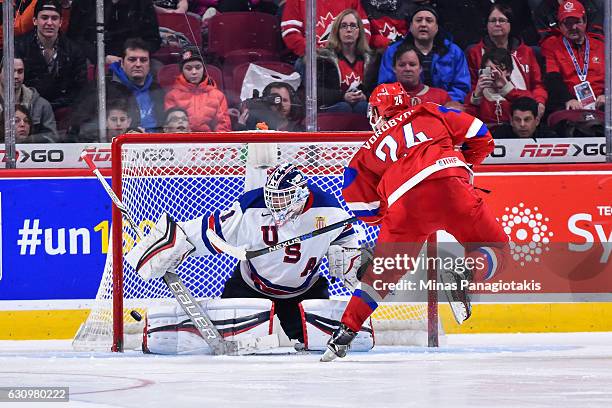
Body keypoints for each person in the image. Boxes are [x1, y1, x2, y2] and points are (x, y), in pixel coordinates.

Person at [320, 83, 509, 362]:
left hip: (404, 208)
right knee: (498, 250)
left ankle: (345, 331)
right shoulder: (430, 112)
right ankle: (465, 273)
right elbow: (482, 134)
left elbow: (362, 206)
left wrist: (386, 213)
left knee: (381, 275)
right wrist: (460, 165)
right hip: (452, 186)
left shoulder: (363, 154)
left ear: (375, 112)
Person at [125, 163, 364, 345]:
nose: (275, 205)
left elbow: (347, 253)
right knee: (226, 345)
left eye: (282, 199)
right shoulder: (251, 206)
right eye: (272, 197)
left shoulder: (331, 212)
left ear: (301, 195)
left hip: (304, 292)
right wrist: (174, 241)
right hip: (250, 288)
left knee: (320, 348)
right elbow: (211, 232)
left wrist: (357, 267)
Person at [69, 38, 166, 141]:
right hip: (115, 148)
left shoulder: (157, 91)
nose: (138, 64)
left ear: (149, 64)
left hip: (156, 148)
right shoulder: (102, 89)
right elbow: (81, 127)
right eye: (132, 59)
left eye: (143, 60)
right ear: (122, 63)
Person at [466, 3, 547, 118]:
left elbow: (537, 85)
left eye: (502, 20)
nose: (497, 24)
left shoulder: (527, 52)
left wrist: (540, 101)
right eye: (493, 20)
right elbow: (471, 86)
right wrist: (476, 95)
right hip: (486, 113)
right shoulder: (474, 52)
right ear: (487, 25)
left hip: (522, 114)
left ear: (510, 24)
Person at [377, 5, 470, 104]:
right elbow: (386, 86)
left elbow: (461, 87)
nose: (423, 24)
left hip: (444, 107)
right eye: (418, 20)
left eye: (429, 21)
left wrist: (444, 103)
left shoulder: (454, 52)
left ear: (437, 27)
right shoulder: (393, 51)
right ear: (411, 27)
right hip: (405, 107)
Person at [14, 0, 87, 110]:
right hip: (27, 110)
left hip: (64, 111)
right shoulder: (19, 47)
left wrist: (51, 107)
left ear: (61, 22)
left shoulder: (75, 51)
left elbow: (79, 90)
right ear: (34, 20)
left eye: (54, 18)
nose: (49, 23)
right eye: (44, 17)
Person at [541, 1, 605, 112]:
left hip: (602, 104)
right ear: (560, 26)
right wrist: (568, 99)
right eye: (567, 23)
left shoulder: (601, 46)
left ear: (585, 22)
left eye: (577, 22)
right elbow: (552, 78)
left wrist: (607, 95)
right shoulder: (551, 46)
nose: (573, 27)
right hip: (569, 105)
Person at [317, 8, 377, 114]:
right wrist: (342, 96)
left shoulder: (371, 60)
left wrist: (365, 96)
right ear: (337, 31)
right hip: (333, 109)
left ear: (359, 31)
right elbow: (316, 92)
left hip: (361, 109)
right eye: (344, 26)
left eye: (353, 25)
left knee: (364, 107)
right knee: (343, 108)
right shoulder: (324, 59)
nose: (348, 30)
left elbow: (377, 90)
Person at [67, 0, 161, 64]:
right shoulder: (84, 3)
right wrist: (101, 57)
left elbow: (153, 39)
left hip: (134, 58)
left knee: (157, 69)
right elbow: (74, 37)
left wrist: (133, 55)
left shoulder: (142, 3)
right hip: (93, 59)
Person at [164, 47, 231, 132]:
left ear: (204, 69)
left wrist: (211, 144)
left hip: (209, 143)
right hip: (182, 142)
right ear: (182, 71)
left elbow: (223, 126)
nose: (194, 72)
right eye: (188, 68)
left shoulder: (218, 96)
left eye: (198, 67)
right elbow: (171, 127)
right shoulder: (172, 96)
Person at [465, 48, 534, 126]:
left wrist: (506, 90)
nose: (494, 73)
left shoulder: (520, 94)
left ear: (509, 72)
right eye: (490, 69)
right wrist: (477, 96)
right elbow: (468, 123)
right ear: (483, 71)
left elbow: (531, 107)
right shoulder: (475, 95)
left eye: (499, 69)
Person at [281, 0, 371, 59]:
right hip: (311, 58)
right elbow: (290, 32)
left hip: (347, 54)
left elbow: (363, 29)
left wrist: (349, 50)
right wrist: (314, 51)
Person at [0, 57, 57, 139]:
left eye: (20, 72)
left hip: (30, 151)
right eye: (10, 71)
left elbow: (52, 139)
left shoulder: (41, 106)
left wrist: (29, 141)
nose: (16, 76)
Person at [392, 42, 451, 107]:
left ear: (420, 68)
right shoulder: (382, 97)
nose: (407, 69)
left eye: (412, 65)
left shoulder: (441, 97)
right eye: (402, 65)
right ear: (394, 69)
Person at [237, 81, 305, 131]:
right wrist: (241, 126)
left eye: (285, 100)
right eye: (276, 100)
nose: (281, 105)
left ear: (292, 102)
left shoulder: (299, 131)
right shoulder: (254, 127)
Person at [530, 0, 603, 43]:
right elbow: (546, 41)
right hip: (558, 54)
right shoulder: (543, 9)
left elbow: (596, 37)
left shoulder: (590, 5)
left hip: (588, 51)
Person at [491, 96, 558, 139]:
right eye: (517, 120)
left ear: (537, 121)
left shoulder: (549, 137)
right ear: (511, 121)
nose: (522, 124)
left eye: (527, 120)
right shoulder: (499, 137)